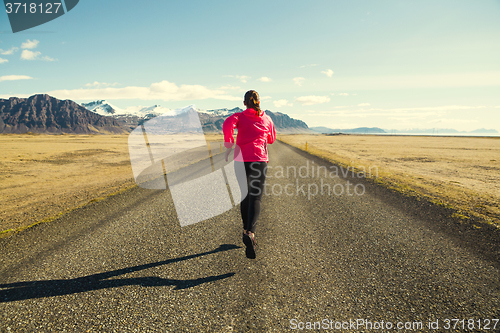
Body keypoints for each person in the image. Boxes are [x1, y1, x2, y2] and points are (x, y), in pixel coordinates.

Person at [223, 90, 276, 259]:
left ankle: (246, 230)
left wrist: (229, 144)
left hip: (240, 161)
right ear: (259, 102)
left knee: (245, 196)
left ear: (244, 103)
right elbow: (271, 139)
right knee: (256, 198)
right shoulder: (266, 118)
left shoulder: (238, 116)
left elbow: (227, 124)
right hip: (259, 161)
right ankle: (250, 233)